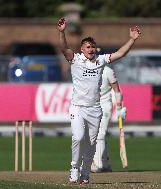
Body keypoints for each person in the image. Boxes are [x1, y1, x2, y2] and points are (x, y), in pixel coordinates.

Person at [57, 17, 141, 185]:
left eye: (93, 46)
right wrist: (62, 32)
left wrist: (131, 39)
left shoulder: (101, 60)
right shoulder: (75, 59)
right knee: (78, 137)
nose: (91, 49)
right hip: (78, 107)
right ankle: (74, 168)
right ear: (82, 49)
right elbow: (64, 48)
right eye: (88, 47)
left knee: (92, 143)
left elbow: (121, 53)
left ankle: (85, 173)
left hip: (95, 109)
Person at [91, 65, 126, 173]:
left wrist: (119, 108)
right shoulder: (87, 69)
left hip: (104, 106)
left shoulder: (108, 71)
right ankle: (106, 164)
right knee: (93, 136)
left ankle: (97, 164)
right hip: (91, 107)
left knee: (100, 134)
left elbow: (117, 90)